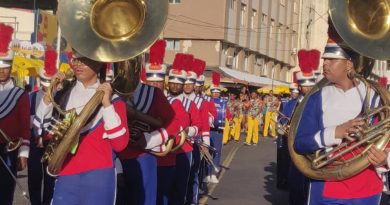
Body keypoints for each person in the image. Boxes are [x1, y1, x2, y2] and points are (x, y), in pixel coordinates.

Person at [294, 26, 388, 205]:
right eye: (324, 59)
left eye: (331, 59)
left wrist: (385, 158)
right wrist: (334, 133)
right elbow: (300, 143)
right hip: (326, 186)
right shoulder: (316, 99)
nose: (324, 64)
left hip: (367, 187)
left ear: (349, 64)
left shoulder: (377, 97)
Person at [34, 51, 129, 205]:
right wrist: (48, 97)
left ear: (98, 64)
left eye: (84, 60)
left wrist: (106, 105)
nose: (77, 64)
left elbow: (120, 144)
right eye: (76, 59)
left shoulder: (113, 100)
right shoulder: (62, 96)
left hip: (99, 177)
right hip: (66, 174)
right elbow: (42, 134)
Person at [0, 23, 30, 205]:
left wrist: (23, 153)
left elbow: (25, 125)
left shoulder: (20, 93)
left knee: (5, 192)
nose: (2, 71)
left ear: (11, 67)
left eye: (5, 67)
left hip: (9, 150)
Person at [166, 54, 202, 205]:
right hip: (164, 149)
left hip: (184, 150)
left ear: (182, 85)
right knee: (164, 190)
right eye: (172, 83)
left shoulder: (190, 104)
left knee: (180, 188)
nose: (175, 86)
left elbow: (198, 126)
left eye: (178, 84)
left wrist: (188, 131)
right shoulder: (162, 99)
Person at [28, 50, 57, 205]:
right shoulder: (31, 97)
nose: (47, 85)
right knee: (33, 178)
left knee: (50, 179)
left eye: (50, 80)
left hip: (51, 143)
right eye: (45, 80)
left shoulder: (60, 97)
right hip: (34, 143)